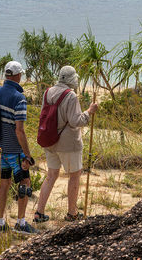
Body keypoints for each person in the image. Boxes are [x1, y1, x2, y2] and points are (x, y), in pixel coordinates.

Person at [34, 65, 98, 223]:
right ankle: (72, 213)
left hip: (49, 140)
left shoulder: (48, 92)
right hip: (68, 144)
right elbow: (76, 121)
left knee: (51, 175)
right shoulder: (71, 96)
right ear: (72, 79)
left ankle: (39, 212)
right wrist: (89, 112)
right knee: (75, 175)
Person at [0, 60, 37, 234]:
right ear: (18, 75)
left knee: (4, 183)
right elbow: (20, 131)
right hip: (14, 150)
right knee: (24, 182)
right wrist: (27, 154)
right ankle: (21, 223)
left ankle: (0, 223)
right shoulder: (19, 98)